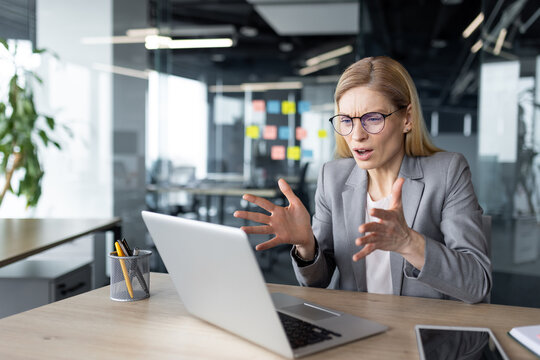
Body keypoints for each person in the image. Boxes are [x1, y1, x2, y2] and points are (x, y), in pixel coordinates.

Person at [233, 56, 491, 304]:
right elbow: (317, 283)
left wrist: (409, 243)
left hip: (421, 332)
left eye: (373, 119)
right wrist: (306, 246)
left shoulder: (447, 172)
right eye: (346, 121)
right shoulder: (332, 177)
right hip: (355, 327)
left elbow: (477, 283)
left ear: (407, 119)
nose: (357, 135)